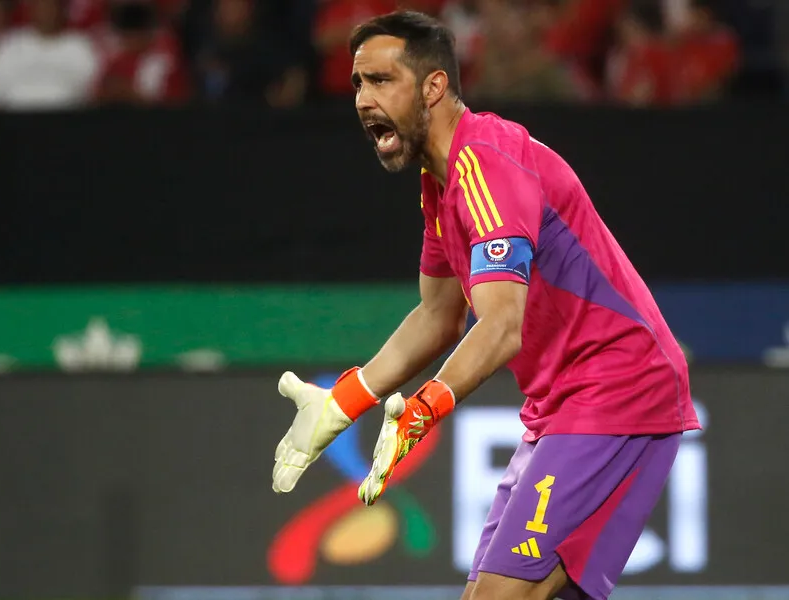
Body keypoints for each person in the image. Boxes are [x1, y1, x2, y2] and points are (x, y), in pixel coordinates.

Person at [271, 10, 700, 600]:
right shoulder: (441, 183)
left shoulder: (486, 166)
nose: (363, 100)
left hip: (618, 388)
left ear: (434, 87)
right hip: (562, 405)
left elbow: (500, 328)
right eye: (357, 83)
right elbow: (438, 317)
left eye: (381, 80)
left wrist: (422, 411)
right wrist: (343, 403)